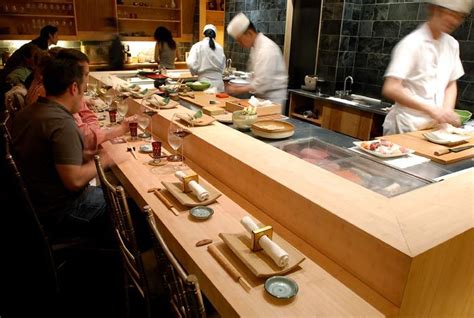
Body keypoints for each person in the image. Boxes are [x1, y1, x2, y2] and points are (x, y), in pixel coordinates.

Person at [11, 50, 112, 237]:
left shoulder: (30, 112)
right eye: (84, 86)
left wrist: (87, 156)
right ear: (74, 88)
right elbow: (74, 181)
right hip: (61, 211)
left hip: (36, 203)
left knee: (112, 190)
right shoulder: (62, 124)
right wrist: (106, 159)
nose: (84, 92)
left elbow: (48, 157)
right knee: (132, 209)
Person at [381, 0, 471, 135]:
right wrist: (432, 110)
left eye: (460, 16)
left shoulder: (452, 45)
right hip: (406, 126)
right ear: (434, 9)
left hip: (435, 128)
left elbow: (451, 83)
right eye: (451, 14)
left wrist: (447, 111)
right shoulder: (411, 43)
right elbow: (391, 88)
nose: (455, 21)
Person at [26, 48, 134, 155]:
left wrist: (93, 132)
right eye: (85, 74)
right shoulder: (54, 99)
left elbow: (85, 125)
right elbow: (84, 140)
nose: (85, 81)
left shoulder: (58, 97)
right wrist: (120, 130)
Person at [226, 13, 288, 109]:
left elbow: (262, 83)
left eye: (240, 40)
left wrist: (237, 90)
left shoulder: (267, 49)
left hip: (272, 100)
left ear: (249, 33)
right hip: (262, 99)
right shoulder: (255, 47)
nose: (240, 44)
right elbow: (256, 75)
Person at [186, 24, 226, 92]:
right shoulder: (220, 47)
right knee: (219, 102)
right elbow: (223, 65)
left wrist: (194, 72)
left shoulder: (197, 46)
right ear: (215, 35)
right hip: (219, 83)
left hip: (204, 83)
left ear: (204, 34)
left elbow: (190, 63)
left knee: (204, 101)